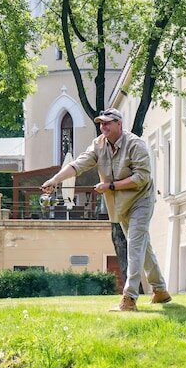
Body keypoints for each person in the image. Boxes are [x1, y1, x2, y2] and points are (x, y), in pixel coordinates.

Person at [42, 108, 171, 311]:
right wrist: (55, 180)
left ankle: (129, 298)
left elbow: (142, 178)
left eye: (107, 123)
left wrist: (109, 186)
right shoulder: (98, 144)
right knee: (142, 247)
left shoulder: (135, 144)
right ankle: (160, 291)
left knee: (134, 245)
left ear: (119, 123)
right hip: (121, 203)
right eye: (101, 123)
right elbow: (78, 165)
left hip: (141, 200)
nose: (103, 127)